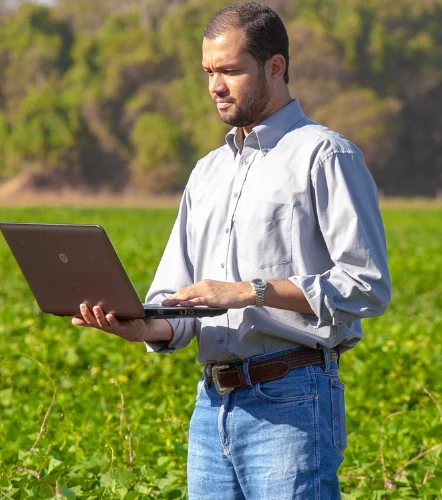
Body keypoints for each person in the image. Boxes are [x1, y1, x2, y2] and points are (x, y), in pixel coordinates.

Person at [72, 2, 391, 498]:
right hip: (211, 407)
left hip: (293, 400)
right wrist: (141, 326)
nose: (214, 86)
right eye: (208, 72)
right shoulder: (207, 172)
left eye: (229, 71)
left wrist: (250, 292)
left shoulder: (326, 155)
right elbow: (181, 303)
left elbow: (366, 287)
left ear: (275, 67)